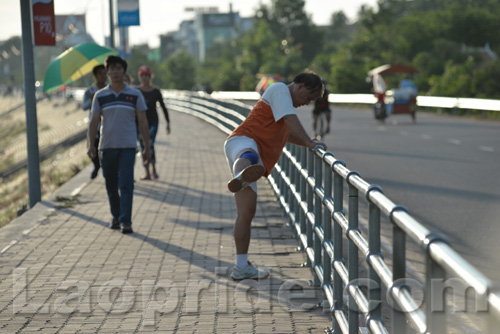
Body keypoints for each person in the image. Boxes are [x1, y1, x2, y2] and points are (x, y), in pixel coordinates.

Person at [224, 72, 327, 280]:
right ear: (299, 86)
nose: (307, 103)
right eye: (308, 97)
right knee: (249, 155)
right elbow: (290, 120)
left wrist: (309, 143)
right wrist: (309, 141)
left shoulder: (282, 103)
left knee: (246, 213)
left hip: (247, 151)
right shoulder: (280, 89)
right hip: (242, 141)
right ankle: (242, 172)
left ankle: (241, 266)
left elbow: (286, 133)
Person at [87, 55, 150, 234]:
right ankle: (116, 215)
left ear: (124, 71)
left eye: (118, 68)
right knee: (111, 184)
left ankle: (126, 220)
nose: (115, 72)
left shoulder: (134, 95)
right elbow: (93, 122)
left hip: (128, 147)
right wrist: (90, 144)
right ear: (107, 73)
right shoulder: (100, 96)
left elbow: (143, 122)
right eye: (111, 69)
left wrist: (146, 147)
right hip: (106, 147)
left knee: (126, 184)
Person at [136, 65, 171, 180]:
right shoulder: (136, 91)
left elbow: (163, 107)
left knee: (149, 143)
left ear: (150, 77)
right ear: (139, 77)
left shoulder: (155, 91)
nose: (144, 78)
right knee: (143, 145)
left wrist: (168, 123)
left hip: (153, 122)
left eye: (146, 76)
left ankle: (154, 169)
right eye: (142, 76)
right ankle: (147, 172)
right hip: (140, 123)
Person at [82, 64, 107, 179]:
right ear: (95, 76)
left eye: (104, 73)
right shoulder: (90, 91)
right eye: (100, 74)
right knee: (92, 149)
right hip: (95, 125)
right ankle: (96, 166)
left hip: (107, 125)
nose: (103, 76)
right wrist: (91, 100)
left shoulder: (109, 89)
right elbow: (84, 106)